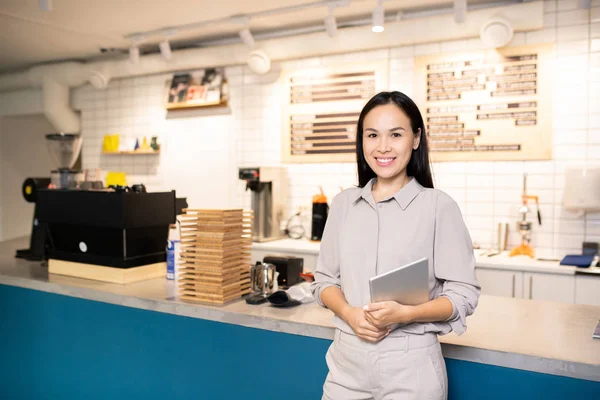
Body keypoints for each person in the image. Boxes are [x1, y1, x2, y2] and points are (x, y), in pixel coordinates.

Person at [310, 91, 480, 400]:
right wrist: (350, 313)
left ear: (415, 139)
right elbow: (324, 281)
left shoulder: (439, 207)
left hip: (411, 370)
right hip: (345, 365)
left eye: (396, 134)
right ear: (362, 141)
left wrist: (405, 315)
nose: (383, 147)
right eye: (373, 134)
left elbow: (463, 296)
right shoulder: (344, 204)